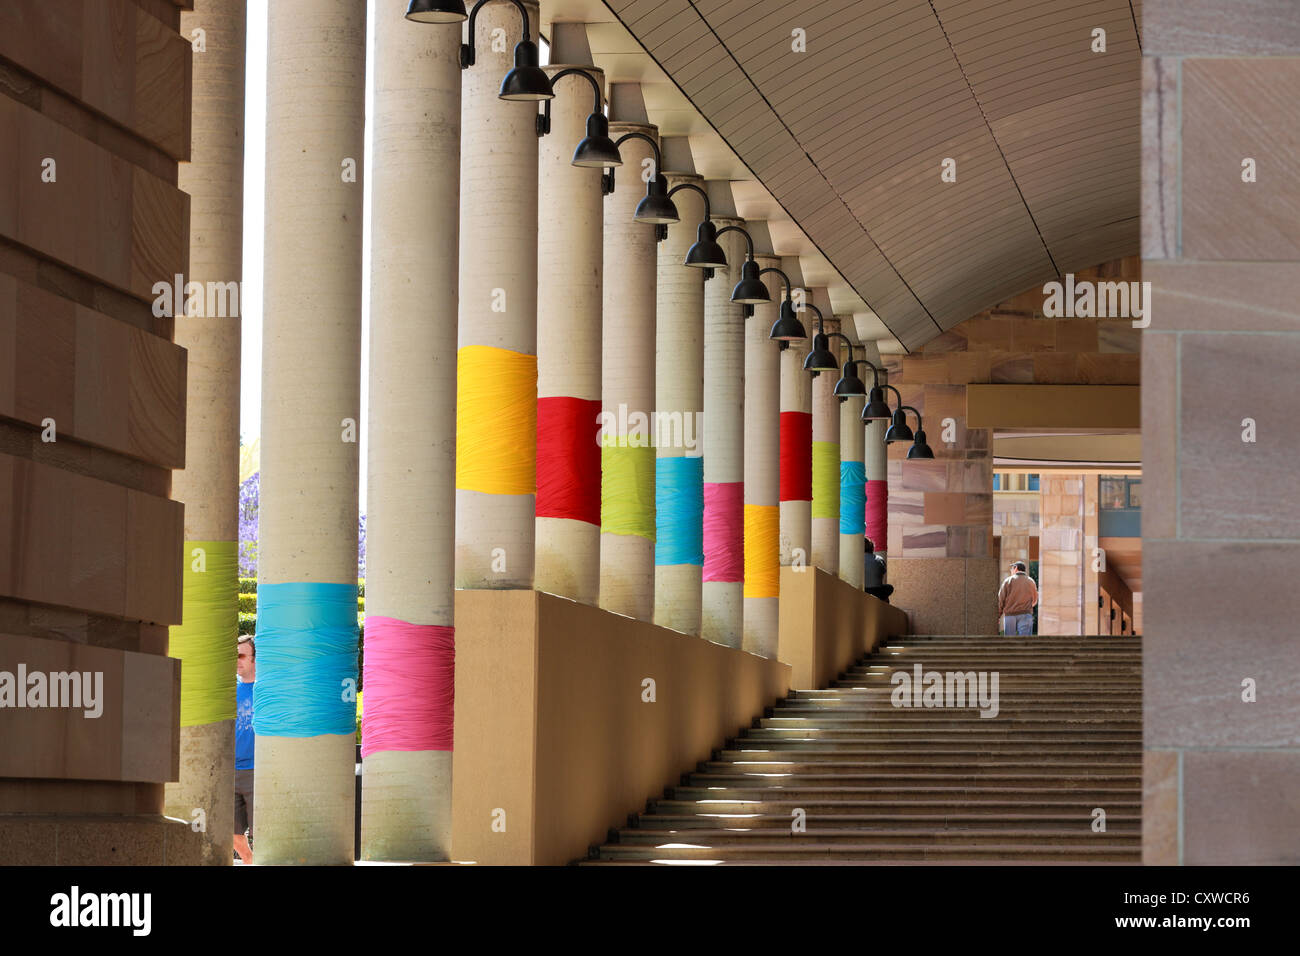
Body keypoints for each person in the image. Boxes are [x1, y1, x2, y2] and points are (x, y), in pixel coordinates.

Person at [234, 636, 256, 864]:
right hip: (232, 769)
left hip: (257, 770)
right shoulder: (230, 690)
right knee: (232, 833)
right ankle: (250, 860)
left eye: (241, 656)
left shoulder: (265, 690)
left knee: (262, 831)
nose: (236, 661)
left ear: (254, 659)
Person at [998, 561, 1038, 636]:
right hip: (1025, 614)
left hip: (1010, 615)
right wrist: (1028, 607)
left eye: (1011, 568)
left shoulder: (1008, 581)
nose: (1011, 570)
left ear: (1016, 568)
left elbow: (1001, 598)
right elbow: (1035, 599)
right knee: (1024, 642)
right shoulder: (1031, 581)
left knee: (1009, 642)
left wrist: (998, 614)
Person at [863, 538, 894, 603]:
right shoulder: (879, 559)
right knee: (889, 588)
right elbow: (883, 572)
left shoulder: (857, 559)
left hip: (862, 590)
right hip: (877, 592)